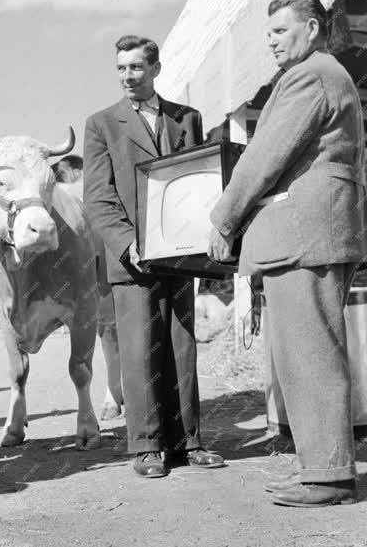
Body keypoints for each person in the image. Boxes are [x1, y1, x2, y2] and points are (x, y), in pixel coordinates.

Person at [208, 0, 367, 507]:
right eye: (268, 33)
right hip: (310, 232)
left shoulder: (310, 75)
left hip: (307, 234)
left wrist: (224, 217)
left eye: (280, 32)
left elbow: (265, 154)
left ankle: (329, 475)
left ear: (311, 28)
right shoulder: (326, 73)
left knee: (311, 352)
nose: (271, 42)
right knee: (303, 351)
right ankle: (317, 467)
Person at [83, 35, 225, 478]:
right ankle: (145, 447)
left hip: (181, 255)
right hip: (133, 258)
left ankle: (188, 441)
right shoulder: (100, 124)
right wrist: (129, 244)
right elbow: (97, 198)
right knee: (140, 350)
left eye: (136, 68)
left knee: (182, 345)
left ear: (156, 69)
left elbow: (197, 183)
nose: (128, 76)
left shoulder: (187, 119)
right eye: (121, 68)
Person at [52, 155, 124, 419]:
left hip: (98, 261)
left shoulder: (70, 192)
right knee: (107, 329)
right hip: (91, 263)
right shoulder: (65, 193)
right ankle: (114, 391)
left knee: (107, 329)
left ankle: (114, 391)